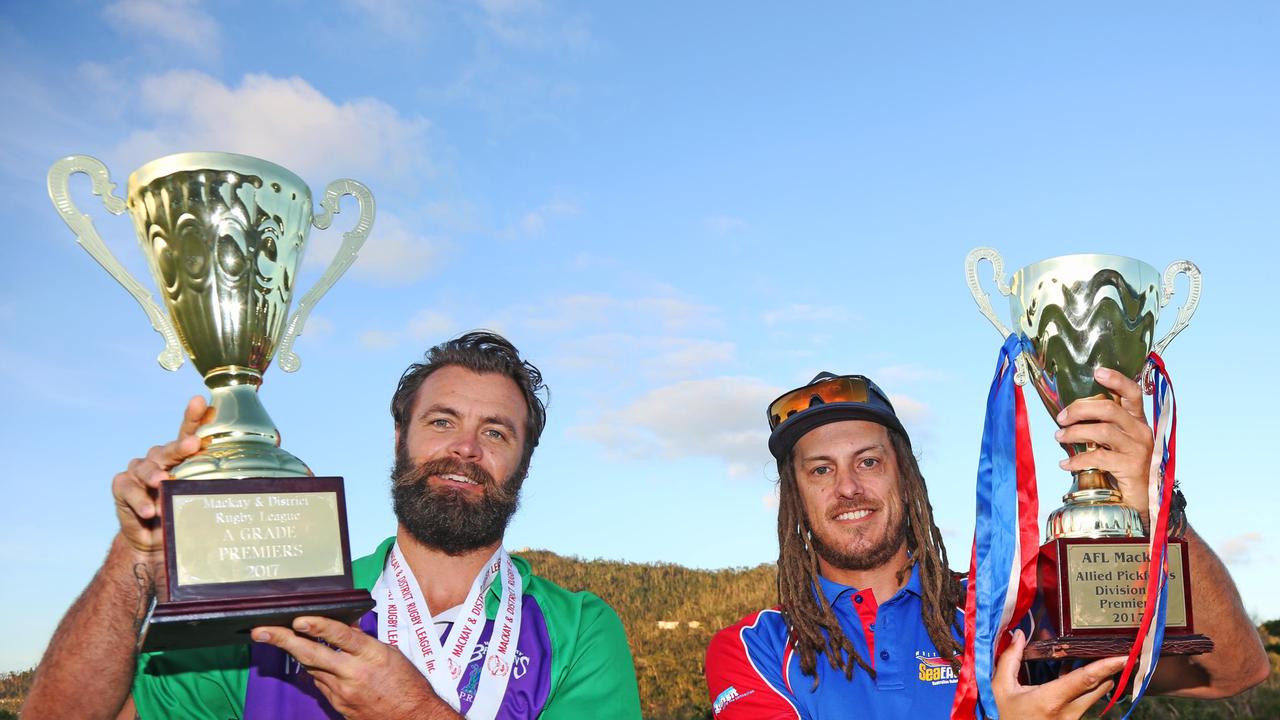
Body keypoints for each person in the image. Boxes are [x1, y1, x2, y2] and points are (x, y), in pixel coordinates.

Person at [25, 331, 642, 720]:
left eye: (496, 432)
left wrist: (409, 714)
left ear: (523, 463)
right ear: (398, 437)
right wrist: (134, 557)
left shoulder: (580, 630)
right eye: (440, 422)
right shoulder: (272, 603)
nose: (465, 449)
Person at [704, 370, 1268, 719]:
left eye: (868, 461)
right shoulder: (754, 650)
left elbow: (1232, 672)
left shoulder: (1011, 609)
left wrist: (1158, 507)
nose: (848, 487)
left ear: (907, 476)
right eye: (820, 470)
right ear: (794, 499)